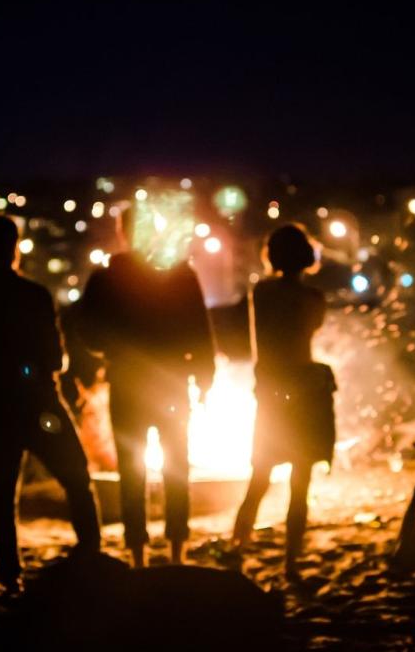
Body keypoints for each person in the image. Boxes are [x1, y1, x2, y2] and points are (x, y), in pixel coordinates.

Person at [0, 216, 101, 592]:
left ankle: (10, 573)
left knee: (3, 489)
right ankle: (91, 555)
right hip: (38, 401)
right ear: (15, 247)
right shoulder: (34, 295)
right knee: (77, 477)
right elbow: (54, 358)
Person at [79, 203, 215, 567]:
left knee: (131, 469)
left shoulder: (106, 277)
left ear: (124, 232)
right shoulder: (181, 274)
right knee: (177, 465)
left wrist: (110, 350)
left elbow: (87, 333)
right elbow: (201, 331)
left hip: (127, 381)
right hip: (170, 382)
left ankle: (137, 554)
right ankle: (176, 552)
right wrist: (204, 378)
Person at [231, 224, 335, 579]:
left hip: (273, 390)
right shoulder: (314, 299)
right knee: (299, 484)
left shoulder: (261, 292)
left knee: (258, 477)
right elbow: (311, 329)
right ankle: (290, 563)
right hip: (306, 391)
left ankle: (236, 548)